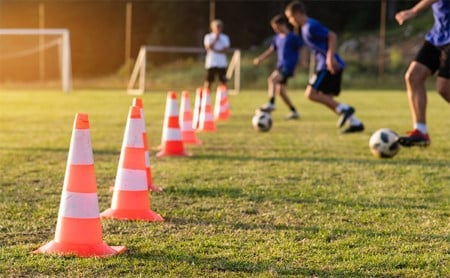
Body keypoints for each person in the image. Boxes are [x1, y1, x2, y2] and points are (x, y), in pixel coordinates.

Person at [285, 1, 365, 133]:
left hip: (327, 65)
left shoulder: (310, 26)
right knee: (328, 99)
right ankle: (355, 123)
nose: (290, 21)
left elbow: (332, 36)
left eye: (290, 17)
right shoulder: (304, 28)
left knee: (310, 94)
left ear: (298, 14)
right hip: (326, 64)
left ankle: (345, 108)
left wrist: (329, 58)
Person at [395, 0, 450, 147]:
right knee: (413, 76)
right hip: (438, 35)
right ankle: (420, 132)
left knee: (444, 88)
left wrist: (414, 11)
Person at [253, 15, 303, 120]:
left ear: (282, 25)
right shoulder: (277, 38)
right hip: (280, 66)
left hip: (288, 66)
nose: (275, 30)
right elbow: (271, 50)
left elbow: (302, 48)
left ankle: (271, 103)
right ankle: (294, 111)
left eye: (276, 27)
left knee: (272, 79)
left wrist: (302, 62)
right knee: (280, 91)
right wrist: (260, 58)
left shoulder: (292, 37)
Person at [203, 19, 230, 90]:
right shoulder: (208, 37)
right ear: (212, 28)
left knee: (223, 80)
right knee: (209, 80)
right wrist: (215, 39)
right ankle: (206, 95)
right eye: (217, 27)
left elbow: (225, 49)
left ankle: (223, 96)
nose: (218, 28)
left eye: (220, 26)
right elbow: (208, 47)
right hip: (211, 62)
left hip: (221, 63)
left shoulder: (225, 37)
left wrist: (214, 50)